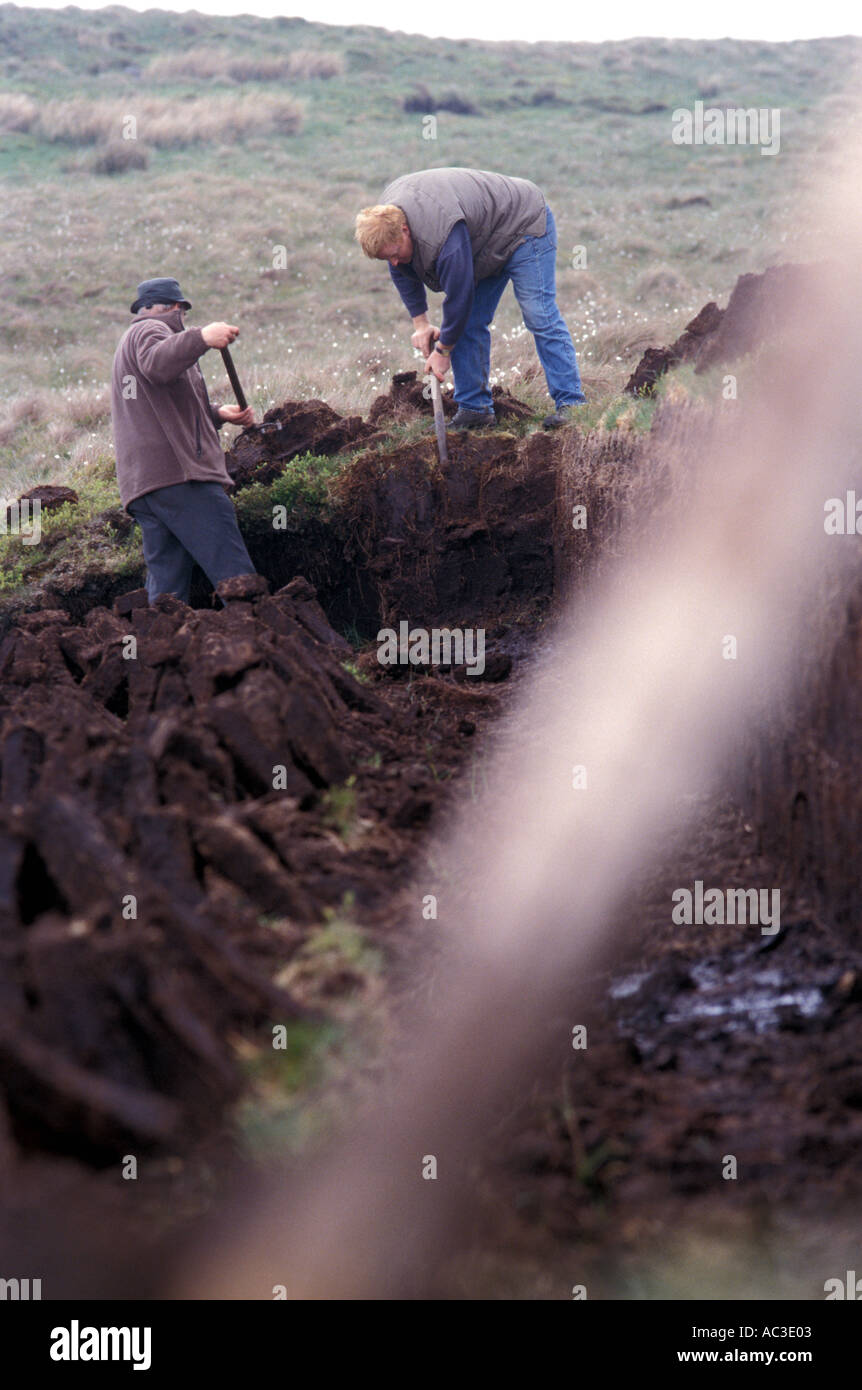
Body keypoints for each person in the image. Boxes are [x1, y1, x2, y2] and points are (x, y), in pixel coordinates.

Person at [355, 167, 586, 429]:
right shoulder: (389, 225)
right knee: (468, 323)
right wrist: (420, 324)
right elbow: (401, 270)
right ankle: (475, 410)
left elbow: (460, 297)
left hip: (522, 224)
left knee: (538, 314)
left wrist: (443, 351)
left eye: (395, 253)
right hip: (481, 241)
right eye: (387, 259)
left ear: (405, 230)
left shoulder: (442, 234)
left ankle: (572, 404)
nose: (394, 263)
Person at [111, 276, 258, 604]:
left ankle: (161, 650)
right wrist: (202, 336)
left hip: (148, 487)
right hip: (182, 479)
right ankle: (258, 641)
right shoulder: (149, 330)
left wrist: (218, 414)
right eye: (183, 313)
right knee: (235, 575)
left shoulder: (131, 339)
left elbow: (161, 405)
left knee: (167, 594)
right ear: (176, 308)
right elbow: (158, 364)